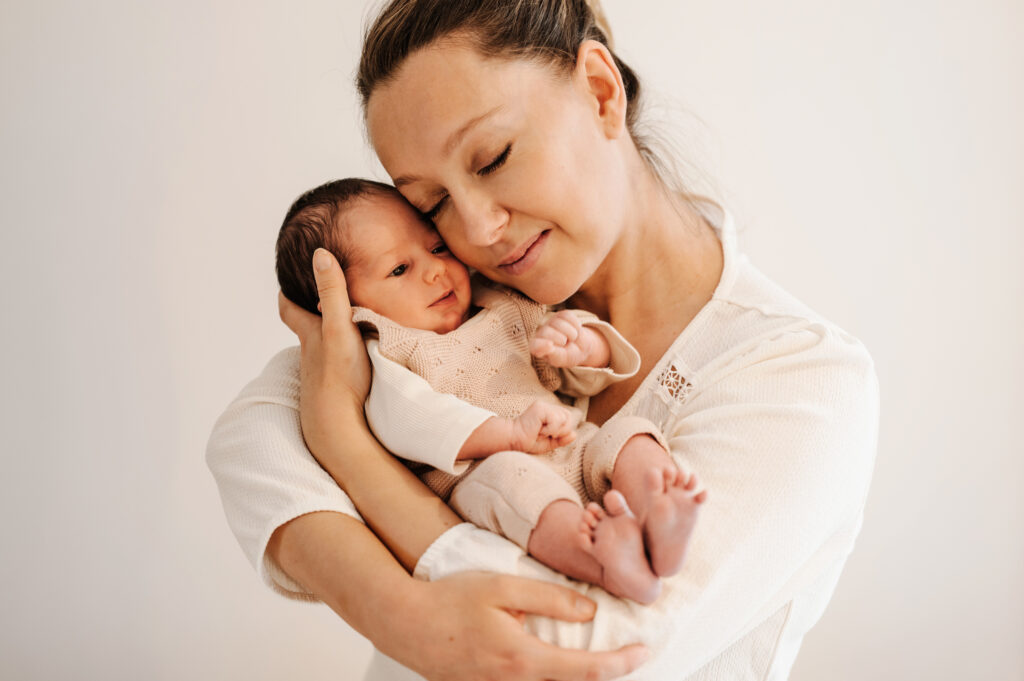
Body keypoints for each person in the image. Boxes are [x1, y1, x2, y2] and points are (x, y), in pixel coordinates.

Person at [206, 1, 879, 679]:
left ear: (599, 91)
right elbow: (251, 439)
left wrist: (348, 451)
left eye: (493, 158)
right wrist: (400, 611)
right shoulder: (461, 297)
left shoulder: (801, 374)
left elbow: (586, 650)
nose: (475, 229)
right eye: (431, 205)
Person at [274, 178, 706, 604]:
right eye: (400, 269)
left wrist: (586, 346)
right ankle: (603, 559)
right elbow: (409, 421)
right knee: (516, 486)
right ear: (348, 307)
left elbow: (572, 380)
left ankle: (657, 508)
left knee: (628, 432)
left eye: (437, 247)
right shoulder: (389, 352)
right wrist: (510, 436)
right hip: (486, 474)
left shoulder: (501, 305)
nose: (435, 270)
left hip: (571, 445)